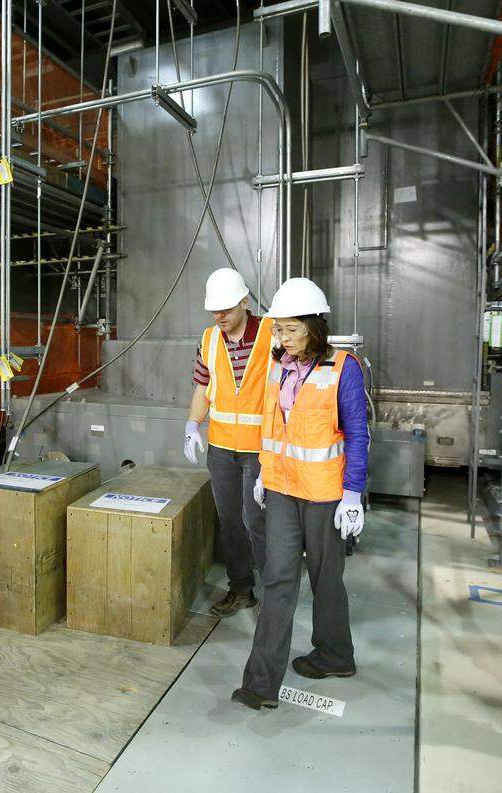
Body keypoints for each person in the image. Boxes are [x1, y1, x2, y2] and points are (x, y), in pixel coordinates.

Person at [231, 277, 369, 710]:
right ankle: (260, 683)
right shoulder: (277, 365)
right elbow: (272, 426)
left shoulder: (343, 367)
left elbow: (358, 435)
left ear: (315, 326)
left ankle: (335, 655)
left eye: (292, 329)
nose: (283, 338)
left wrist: (353, 495)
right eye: (277, 329)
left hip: (325, 492)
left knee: (326, 577)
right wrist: (262, 474)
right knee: (276, 578)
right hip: (280, 489)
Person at [184, 268, 273, 618]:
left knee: (258, 521)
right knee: (230, 520)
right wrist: (192, 425)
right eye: (214, 311)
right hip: (221, 448)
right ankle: (241, 589)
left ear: (244, 302)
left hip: (259, 449)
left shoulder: (271, 333)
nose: (219, 317)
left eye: (226, 310)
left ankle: (273, 592)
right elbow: (202, 387)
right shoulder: (208, 339)